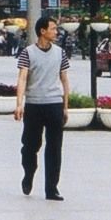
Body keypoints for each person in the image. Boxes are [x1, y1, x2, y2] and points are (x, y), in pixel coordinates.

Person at [14, 16, 70, 202]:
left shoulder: (60, 53)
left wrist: (65, 106)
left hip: (54, 104)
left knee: (54, 148)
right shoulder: (28, 53)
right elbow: (22, 78)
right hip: (34, 105)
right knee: (30, 146)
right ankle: (29, 173)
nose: (56, 32)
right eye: (53, 28)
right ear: (42, 31)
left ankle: (51, 188)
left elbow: (64, 79)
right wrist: (19, 104)